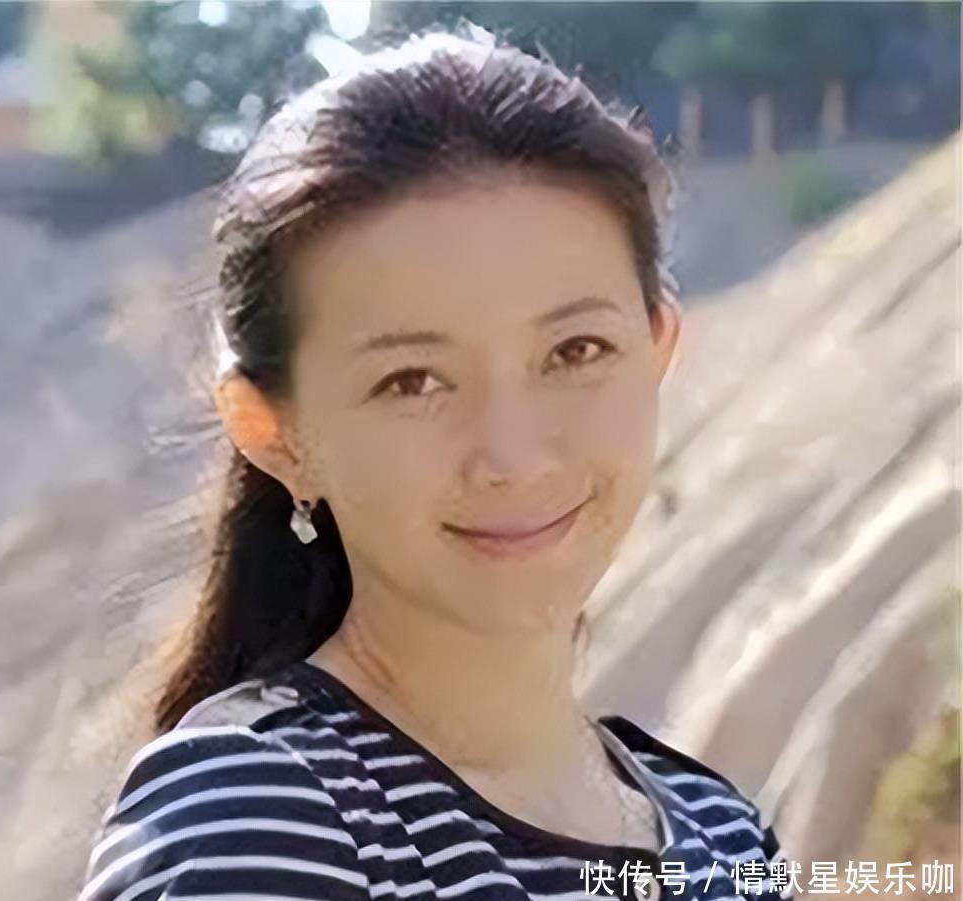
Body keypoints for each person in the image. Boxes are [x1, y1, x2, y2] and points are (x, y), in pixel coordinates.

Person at [78, 23, 796, 901]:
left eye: (575, 351)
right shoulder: (256, 827)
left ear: (657, 350)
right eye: (412, 380)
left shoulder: (722, 834)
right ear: (273, 433)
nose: (514, 455)